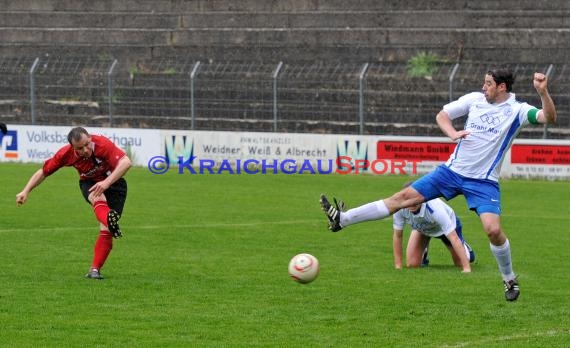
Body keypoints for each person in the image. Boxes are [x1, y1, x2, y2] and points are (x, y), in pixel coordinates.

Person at [320, 67, 557, 301]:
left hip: (483, 181)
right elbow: (442, 115)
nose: (483, 88)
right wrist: (452, 133)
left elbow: (548, 117)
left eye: (488, 84)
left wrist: (543, 92)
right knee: (400, 199)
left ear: (502, 87)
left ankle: (509, 279)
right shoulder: (474, 100)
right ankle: (343, 219)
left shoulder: (518, 110)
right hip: (451, 172)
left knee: (493, 230)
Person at [16, 127, 132, 279]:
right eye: (79, 148)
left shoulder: (102, 144)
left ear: (90, 138)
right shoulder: (65, 154)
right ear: (72, 147)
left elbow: (126, 162)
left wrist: (106, 183)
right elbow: (44, 171)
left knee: (106, 230)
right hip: (89, 182)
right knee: (96, 197)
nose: (85, 150)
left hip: (115, 183)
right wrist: (25, 191)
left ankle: (96, 264)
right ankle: (95, 269)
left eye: (87, 144)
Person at [392, 195, 475, 272]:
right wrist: (398, 265)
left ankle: (466, 250)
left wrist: (466, 268)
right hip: (422, 229)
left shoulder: (435, 208)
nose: (411, 203)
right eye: (408, 200)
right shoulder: (399, 208)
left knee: (460, 264)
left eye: (414, 199)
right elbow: (397, 236)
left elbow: (453, 237)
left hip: (446, 230)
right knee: (412, 264)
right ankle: (424, 252)